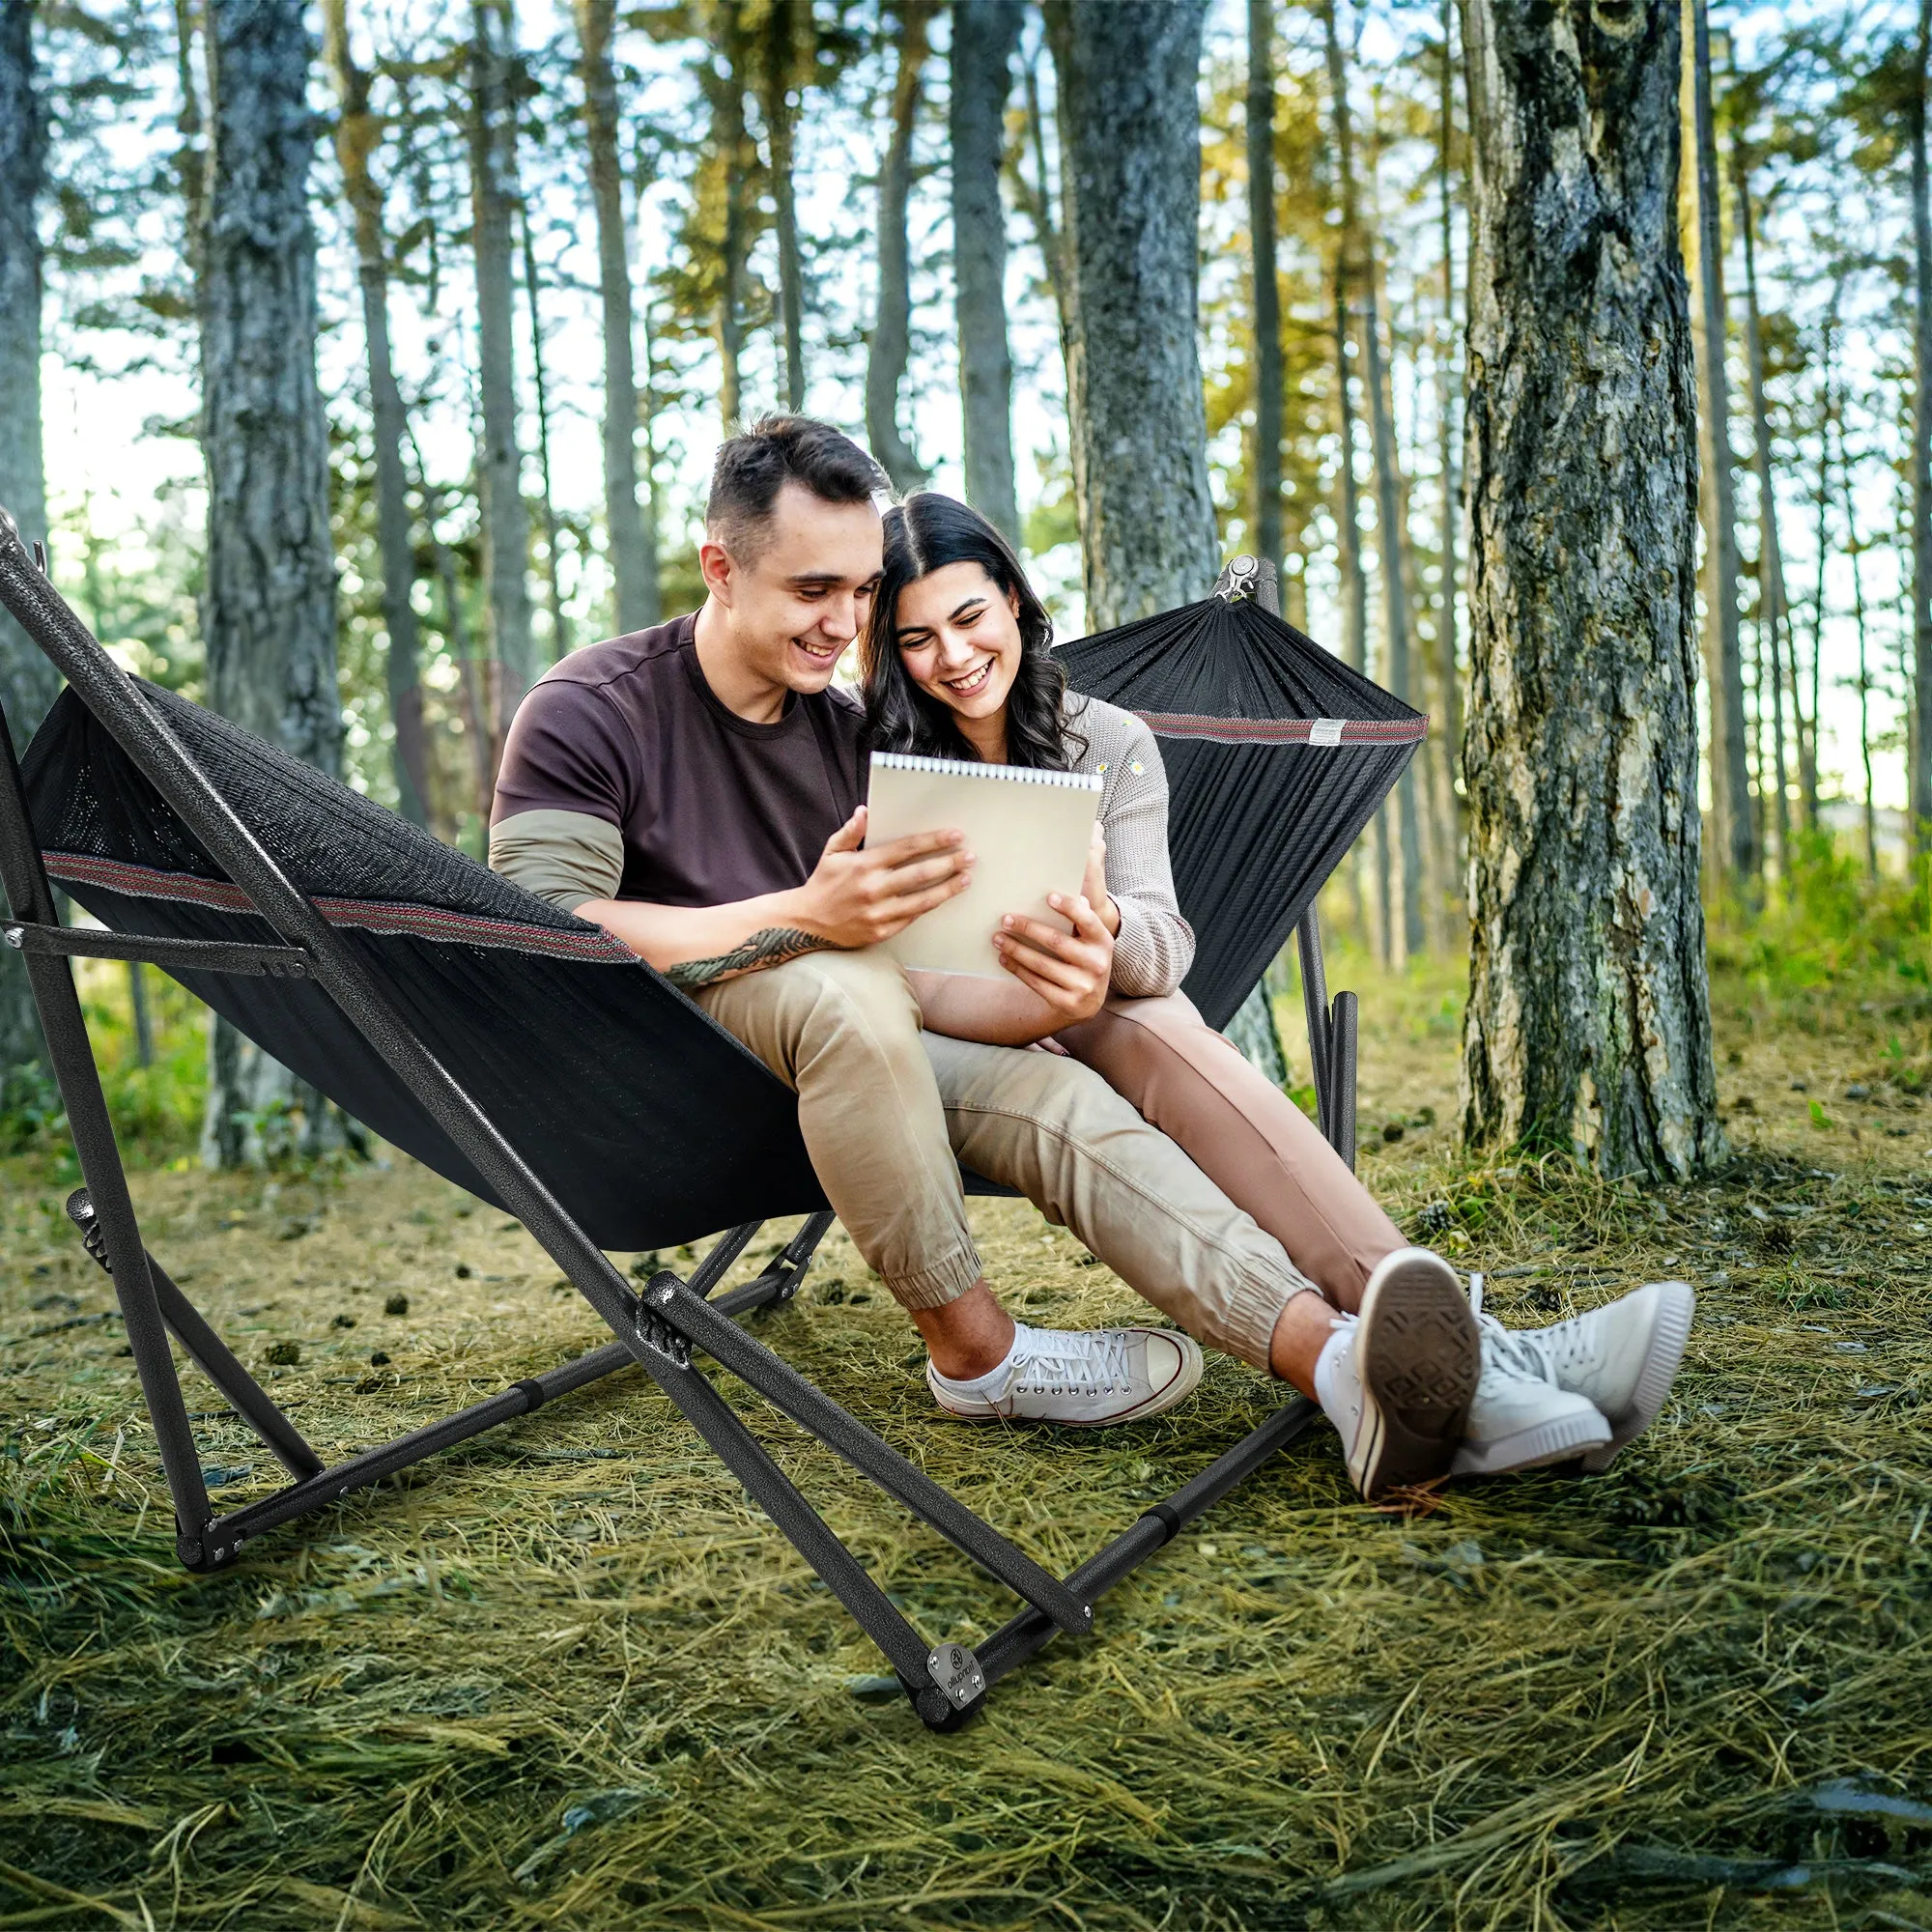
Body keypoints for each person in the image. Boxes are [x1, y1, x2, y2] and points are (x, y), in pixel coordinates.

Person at [487, 415, 1687, 1500]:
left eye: (861, 592)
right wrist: (803, 911)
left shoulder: (857, 738)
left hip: (866, 1062)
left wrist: (1064, 983)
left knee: (1088, 1051)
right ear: (719, 567)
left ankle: (1370, 1360)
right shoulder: (594, 705)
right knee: (837, 978)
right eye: (817, 589)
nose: (844, 625)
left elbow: (927, 972)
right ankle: (975, 1351)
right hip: (665, 1068)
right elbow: (538, 925)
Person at [858, 490, 1695, 1478]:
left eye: (967, 618)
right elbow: (882, 961)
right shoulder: (878, 756)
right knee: (1120, 1023)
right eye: (916, 639)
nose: (951, 657)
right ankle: (1494, 1358)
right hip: (940, 1033)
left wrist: (1105, 919)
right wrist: (1030, 997)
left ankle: (1472, 1356)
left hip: (1085, 1007)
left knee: (1152, 1017)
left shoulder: (1108, 739)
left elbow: (1165, 946)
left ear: (1011, 600)